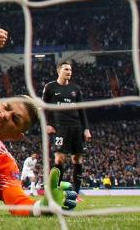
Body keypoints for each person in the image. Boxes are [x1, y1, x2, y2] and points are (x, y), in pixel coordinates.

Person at [42, 61, 91, 200]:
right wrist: (46, 124)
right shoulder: (50, 87)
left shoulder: (76, 88)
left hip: (77, 127)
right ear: (59, 71)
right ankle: (54, 191)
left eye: (70, 69)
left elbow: (82, 110)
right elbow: (43, 107)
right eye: (66, 69)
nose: (69, 71)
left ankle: (75, 194)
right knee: (59, 159)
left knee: (77, 159)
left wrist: (86, 128)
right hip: (60, 128)